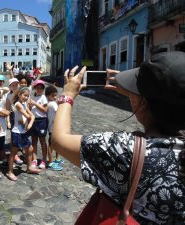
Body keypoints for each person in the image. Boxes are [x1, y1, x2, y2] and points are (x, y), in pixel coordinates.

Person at [52, 51, 185, 224]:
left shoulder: (124, 150)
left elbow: (59, 140)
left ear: (143, 103)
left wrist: (67, 96)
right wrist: (137, 97)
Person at [6, 87, 39, 181]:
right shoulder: (18, 104)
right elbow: (29, 116)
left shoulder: (24, 103)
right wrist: (30, 121)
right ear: (19, 94)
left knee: (30, 149)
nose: (26, 97)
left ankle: (29, 168)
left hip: (23, 131)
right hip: (17, 132)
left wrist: (30, 123)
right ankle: (10, 172)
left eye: (28, 96)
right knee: (13, 152)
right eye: (25, 95)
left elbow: (32, 116)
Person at [28, 79, 48, 169]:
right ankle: (34, 159)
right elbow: (29, 108)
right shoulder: (33, 97)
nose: (39, 89)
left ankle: (44, 159)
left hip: (42, 121)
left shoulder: (43, 98)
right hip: (33, 120)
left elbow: (45, 110)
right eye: (37, 88)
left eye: (41, 88)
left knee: (42, 141)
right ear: (35, 88)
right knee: (34, 141)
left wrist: (35, 103)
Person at [45, 85, 63, 171]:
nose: (55, 97)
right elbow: (59, 112)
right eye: (53, 95)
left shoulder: (49, 103)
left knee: (55, 144)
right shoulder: (52, 104)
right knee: (52, 145)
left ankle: (57, 159)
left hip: (52, 127)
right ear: (48, 95)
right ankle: (51, 162)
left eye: (56, 95)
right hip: (54, 128)